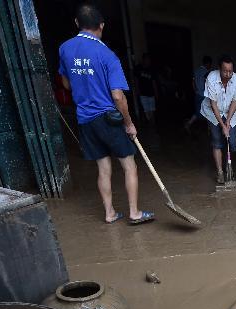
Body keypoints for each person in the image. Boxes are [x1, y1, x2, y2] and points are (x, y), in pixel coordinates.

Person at [58, 4, 153, 225]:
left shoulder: (65, 48)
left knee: (103, 167)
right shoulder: (106, 54)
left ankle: (109, 213)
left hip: (85, 119)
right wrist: (129, 123)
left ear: (76, 23)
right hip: (108, 118)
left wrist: (84, 86)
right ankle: (134, 213)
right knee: (129, 165)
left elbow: (66, 83)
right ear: (102, 25)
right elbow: (118, 96)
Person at [201, 55, 236, 184]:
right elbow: (213, 104)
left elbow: (235, 101)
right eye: (225, 71)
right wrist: (222, 126)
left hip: (229, 111)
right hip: (214, 113)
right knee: (217, 141)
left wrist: (228, 121)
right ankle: (220, 172)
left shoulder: (235, 78)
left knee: (232, 142)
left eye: (230, 71)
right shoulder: (211, 78)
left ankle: (229, 167)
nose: (228, 74)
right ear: (219, 69)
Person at [184, 56, 212, 134]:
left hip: (197, 95)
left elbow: (192, 81)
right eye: (210, 64)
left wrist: (195, 89)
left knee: (200, 112)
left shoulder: (196, 71)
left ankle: (189, 123)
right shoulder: (206, 72)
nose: (210, 66)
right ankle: (209, 129)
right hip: (204, 95)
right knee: (207, 112)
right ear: (208, 63)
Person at [135, 53, 157, 124]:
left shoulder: (152, 69)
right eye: (147, 59)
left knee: (152, 109)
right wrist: (137, 89)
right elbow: (136, 79)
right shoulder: (139, 68)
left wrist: (156, 92)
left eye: (149, 59)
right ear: (143, 60)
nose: (148, 61)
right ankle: (149, 124)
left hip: (151, 92)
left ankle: (153, 124)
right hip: (142, 92)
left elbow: (154, 81)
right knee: (146, 110)